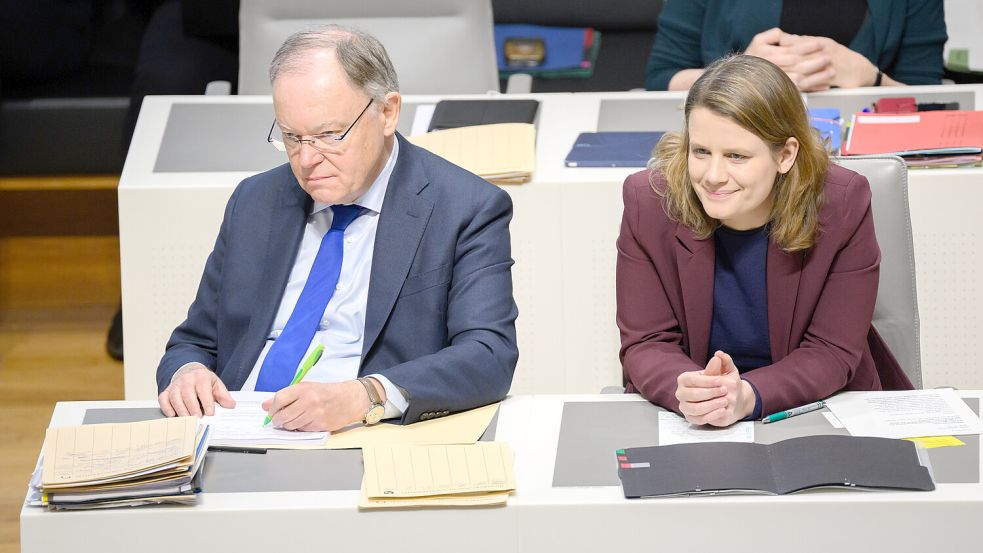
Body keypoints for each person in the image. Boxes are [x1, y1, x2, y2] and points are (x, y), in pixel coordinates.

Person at [156, 25, 519, 431]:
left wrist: (367, 395)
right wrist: (186, 373)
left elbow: (488, 354)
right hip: (236, 426)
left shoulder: (464, 207)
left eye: (329, 135)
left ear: (387, 112)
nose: (307, 160)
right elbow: (195, 341)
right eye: (292, 137)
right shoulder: (255, 201)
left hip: (362, 433)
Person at [617, 54, 912, 427]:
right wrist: (690, 390)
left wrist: (748, 396)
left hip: (819, 406)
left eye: (737, 156)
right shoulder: (650, 201)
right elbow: (647, 342)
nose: (713, 175)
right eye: (701, 151)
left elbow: (832, 350)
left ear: (786, 155)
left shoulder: (841, 202)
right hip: (691, 418)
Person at [645, 0, 947, 91]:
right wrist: (740, 76)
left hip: (867, 162)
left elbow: (931, 100)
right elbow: (662, 79)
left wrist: (873, 78)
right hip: (736, 157)